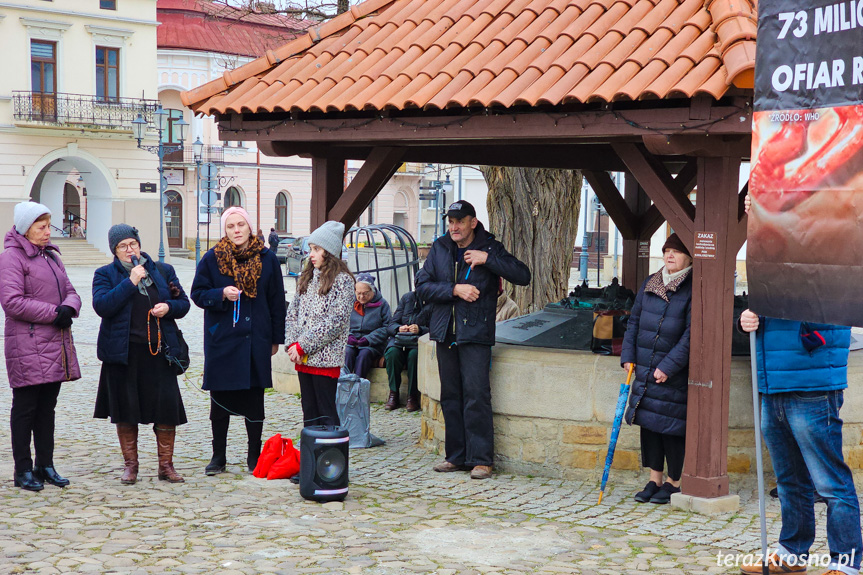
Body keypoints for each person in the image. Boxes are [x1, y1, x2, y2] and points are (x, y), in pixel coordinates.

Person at [739, 193, 861, 575]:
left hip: (811, 381)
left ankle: (848, 562)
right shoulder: (776, 252)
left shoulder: (833, 248)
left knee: (830, 481)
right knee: (790, 479)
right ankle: (793, 553)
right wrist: (751, 315)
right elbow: (769, 293)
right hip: (772, 380)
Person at [416, 200, 531, 480]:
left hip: (476, 333)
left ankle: (481, 460)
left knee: (477, 396)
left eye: (459, 221)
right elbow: (422, 286)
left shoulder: (491, 246)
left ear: (473, 222)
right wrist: (455, 289)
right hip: (445, 332)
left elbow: (523, 275)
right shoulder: (440, 248)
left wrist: (487, 260)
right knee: (451, 396)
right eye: (450, 221)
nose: (453, 226)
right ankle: (456, 456)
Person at [191, 207, 287, 475]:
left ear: (249, 226)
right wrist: (220, 293)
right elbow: (197, 294)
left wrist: (276, 338)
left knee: (254, 402)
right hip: (222, 340)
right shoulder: (212, 258)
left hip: (255, 340)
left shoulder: (267, 259)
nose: (236, 230)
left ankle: (253, 457)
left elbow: (277, 301)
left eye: (241, 224)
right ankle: (218, 456)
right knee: (220, 402)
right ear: (225, 230)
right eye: (231, 226)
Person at [92, 224, 190, 484]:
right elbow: (103, 306)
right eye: (122, 247)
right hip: (123, 354)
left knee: (166, 410)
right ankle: (131, 466)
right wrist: (130, 281)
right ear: (114, 251)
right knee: (126, 411)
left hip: (159, 352)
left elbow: (184, 304)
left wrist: (168, 307)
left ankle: (166, 466)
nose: (129, 250)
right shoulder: (105, 274)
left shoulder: (163, 270)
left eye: (132, 244)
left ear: (138, 244)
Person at [0, 202, 81, 491]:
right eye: (41, 227)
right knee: (25, 409)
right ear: (26, 229)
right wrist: (53, 313)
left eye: (49, 226)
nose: (48, 232)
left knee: (47, 408)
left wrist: (69, 309)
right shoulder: (12, 257)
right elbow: (11, 301)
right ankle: (23, 469)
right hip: (27, 343)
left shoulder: (51, 257)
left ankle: (44, 464)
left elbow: (71, 291)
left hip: (54, 343)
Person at [620, 233, 692, 505]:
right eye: (666, 251)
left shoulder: (692, 286)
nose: (669, 255)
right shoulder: (651, 282)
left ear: (688, 256)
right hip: (645, 367)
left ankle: (674, 482)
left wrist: (669, 366)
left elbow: (691, 334)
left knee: (671, 427)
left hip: (671, 373)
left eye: (675, 251)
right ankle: (654, 479)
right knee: (648, 425)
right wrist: (628, 356)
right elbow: (634, 322)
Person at [285, 220, 354, 428]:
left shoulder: (343, 281)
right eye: (311, 249)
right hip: (303, 358)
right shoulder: (307, 277)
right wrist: (292, 344)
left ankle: (331, 457)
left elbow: (335, 322)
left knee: (326, 412)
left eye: (316, 249)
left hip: (325, 360)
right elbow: (292, 313)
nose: (311, 254)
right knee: (309, 412)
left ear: (330, 251)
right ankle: (311, 457)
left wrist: (303, 344)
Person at [383, 290, 430, 412]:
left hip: (418, 341)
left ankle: (412, 396)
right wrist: (399, 328)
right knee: (392, 352)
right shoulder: (407, 298)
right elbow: (391, 324)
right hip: (400, 339)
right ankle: (393, 394)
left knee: (414, 355)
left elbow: (436, 327)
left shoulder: (434, 301)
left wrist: (420, 329)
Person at [344, 273, 391, 379]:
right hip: (352, 342)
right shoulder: (349, 303)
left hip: (372, 344)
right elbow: (342, 324)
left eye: (365, 293)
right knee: (347, 353)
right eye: (358, 293)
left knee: (364, 355)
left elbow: (387, 327)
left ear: (372, 290)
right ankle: (344, 386)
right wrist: (349, 336)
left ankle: (358, 386)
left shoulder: (382, 304)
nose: (361, 297)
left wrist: (368, 339)